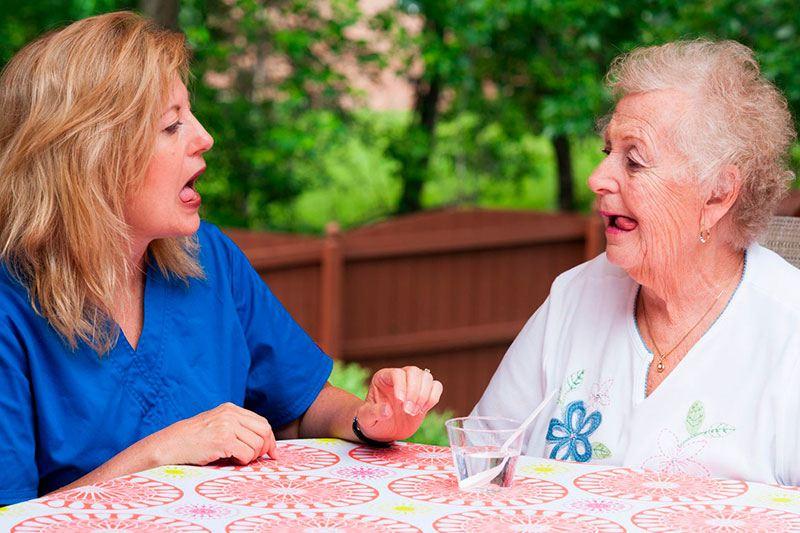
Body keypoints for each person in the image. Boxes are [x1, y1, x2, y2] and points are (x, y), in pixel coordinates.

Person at [0, 12, 443, 506]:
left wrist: (370, 417)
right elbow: (15, 519)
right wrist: (161, 453)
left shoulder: (209, 257)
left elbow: (298, 406)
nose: (204, 137)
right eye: (172, 125)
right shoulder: (9, 309)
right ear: (91, 159)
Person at [473, 40, 800, 485]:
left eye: (635, 160)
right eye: (608, 151)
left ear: (719, 194)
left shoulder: (788, 332)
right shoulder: (575, 295)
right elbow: (480, 458)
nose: (597, 178)